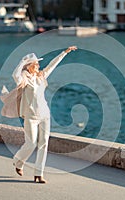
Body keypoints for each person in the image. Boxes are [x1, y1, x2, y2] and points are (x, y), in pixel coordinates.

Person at [8, 46, 77, 183]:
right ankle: (17, 161)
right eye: (36, 64)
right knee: (31, 143)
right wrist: (22, 62)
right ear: (29, 66)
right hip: (31, 117)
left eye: (38, 64)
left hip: (44, 114)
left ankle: (39, 174)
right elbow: (14, 75)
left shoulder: (41, 76)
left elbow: (53, 65)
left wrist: (64, 52)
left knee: (43, 143)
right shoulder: (24, 78)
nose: (38, 66)